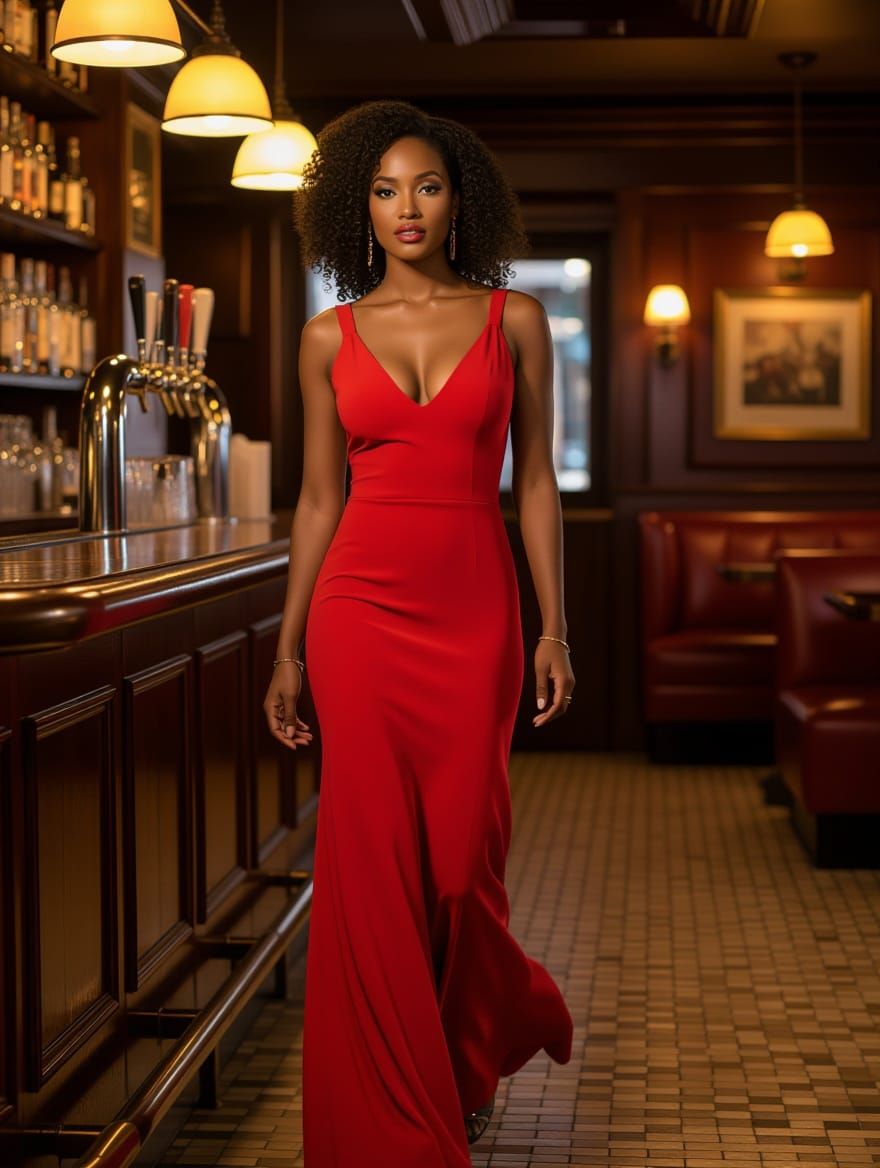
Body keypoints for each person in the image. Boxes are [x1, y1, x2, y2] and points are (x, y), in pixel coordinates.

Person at [265, 99, 575, 1166]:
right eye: (386, 189)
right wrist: (288, 646)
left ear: (460, 202)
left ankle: (489, 1022)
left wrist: (553, 628)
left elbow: (533, 483)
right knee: (374, 866)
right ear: (359, 205)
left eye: (427, 187)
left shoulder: (515, 320)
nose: (407, 207)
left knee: (459, 866)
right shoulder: (324, 336)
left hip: (474, 608)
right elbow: (316, 502)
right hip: (357, 609)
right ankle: (407, 1108)